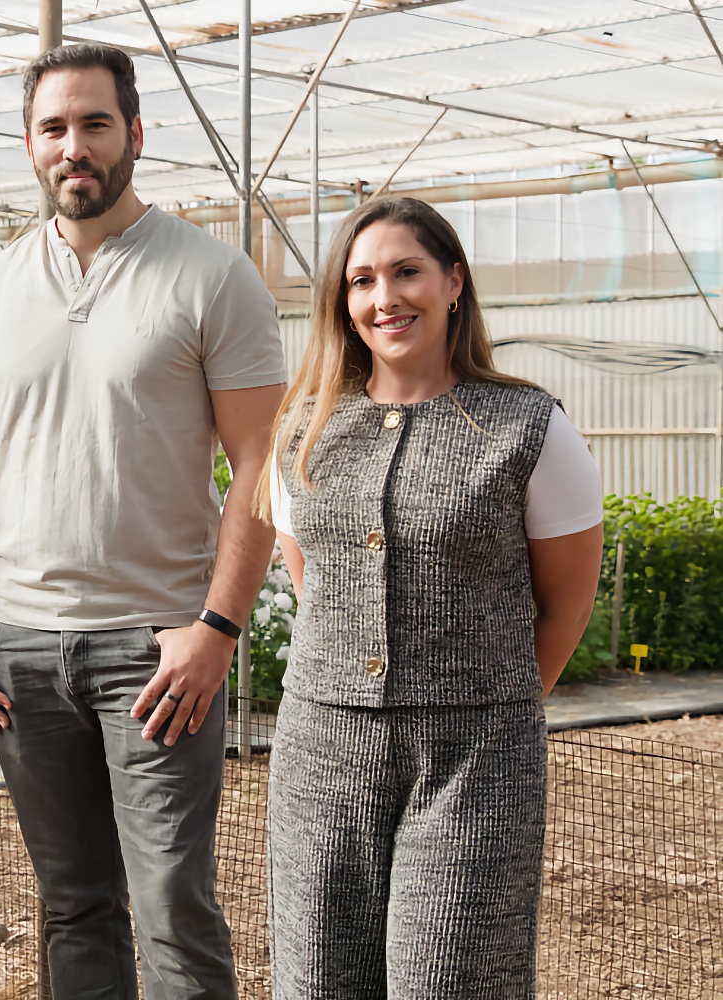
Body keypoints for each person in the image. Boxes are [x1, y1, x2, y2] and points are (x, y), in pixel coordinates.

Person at [0, 43, 286, 1000]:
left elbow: (261, 461)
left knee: (174, 907)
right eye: (54, 127)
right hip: (25, 649)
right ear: (30, 144)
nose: (73, 146)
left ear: (136, 133)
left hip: (157, 650)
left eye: (94, 124)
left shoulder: (213, 276)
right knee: (72, 904)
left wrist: (217, 629)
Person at [264, 195, 604, 998]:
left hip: (474, 761)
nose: (385, 298)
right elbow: (314, 585)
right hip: (321, 754)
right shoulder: (305, 430)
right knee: (317, 981)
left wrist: (486, 705)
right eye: (362, 281)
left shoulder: (527, 426)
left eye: (407, 271)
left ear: (454, 282)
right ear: (342, 304)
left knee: (450, 981)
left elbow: (565, 608)